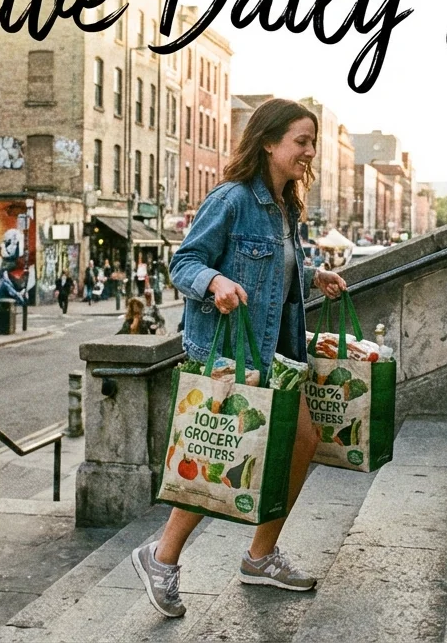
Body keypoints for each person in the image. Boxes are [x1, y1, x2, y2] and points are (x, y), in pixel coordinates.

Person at [131, 98, 347, 618]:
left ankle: (260, 555)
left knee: (302, 440)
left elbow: (273, 268)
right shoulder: (231, 199)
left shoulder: (287, 205)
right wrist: (215, 282)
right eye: (301, 141)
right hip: (230, 354)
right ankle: (161, 558)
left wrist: (313, 275)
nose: (309, 151)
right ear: (269, 142)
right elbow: (184, 263)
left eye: (313, 142)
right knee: (217, 460)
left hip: (276, 354)